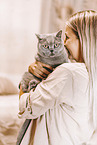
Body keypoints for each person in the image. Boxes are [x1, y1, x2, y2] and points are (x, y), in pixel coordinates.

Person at [18, 10, 97, 145]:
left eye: (67, 37)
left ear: (83, 40)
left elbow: (26, 107)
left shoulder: (68, 72)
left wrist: (27, 77)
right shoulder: (89, 73)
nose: (64, 43)